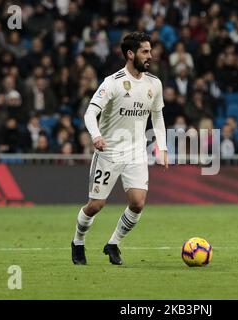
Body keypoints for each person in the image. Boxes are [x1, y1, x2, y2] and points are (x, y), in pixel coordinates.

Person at [71, 32, 168, 265]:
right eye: (145, 51)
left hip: (136, 152)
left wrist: (162, 147)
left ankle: (113, 243)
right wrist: (95, 136)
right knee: (96, 206)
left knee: (138, 203)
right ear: (130, 54)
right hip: (109, 152)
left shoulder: (154, 83)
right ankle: (78, 241)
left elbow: (158, 116)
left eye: (150, 50)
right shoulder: (112, 82)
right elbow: (90, 113)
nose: (150, 55)